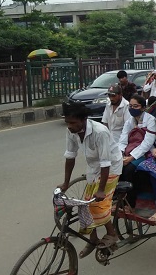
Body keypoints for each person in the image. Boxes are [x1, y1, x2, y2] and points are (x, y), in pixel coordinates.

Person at [59, 101, 123, 258]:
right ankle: (93, 239)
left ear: (83, 120)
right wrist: (66, 183)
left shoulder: (100, 132)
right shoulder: (71, 131)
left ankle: (112, 233)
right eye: (67, 122)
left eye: (73, 122)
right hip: (94, 168)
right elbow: (70, 156)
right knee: (85, 205)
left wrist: (101, 190)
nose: (69, 126)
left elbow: (106, 162)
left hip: (112, 166)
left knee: (97, 204)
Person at [118, 94, 156, 207]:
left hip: (146, 152)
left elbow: (147, 143)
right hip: (129, 150)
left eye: (135, 106)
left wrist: (131, 157)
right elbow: (123, 139)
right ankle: (118, 198)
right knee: (116, 168)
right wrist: (120, 154)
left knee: (129, 170)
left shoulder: (151, 120)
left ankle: (131, 202)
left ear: (142, 107)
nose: (132, 108)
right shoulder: (129, 121)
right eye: (130, 106)